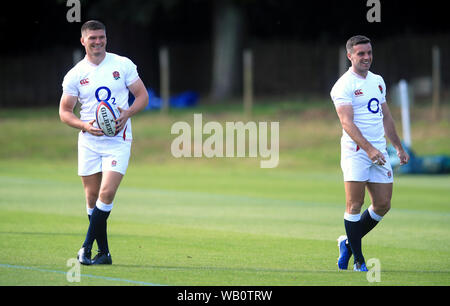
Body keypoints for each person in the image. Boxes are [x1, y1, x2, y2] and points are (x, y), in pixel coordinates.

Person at [59, 20, 149, 265]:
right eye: (92, 38)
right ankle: (104, 253)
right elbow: (65, 112)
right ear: (83, 41)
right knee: (91, 198)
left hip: (118, 140)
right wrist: (84, 125)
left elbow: (142, 96)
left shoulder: (122, 64)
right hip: (89, 141)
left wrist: (127, 113)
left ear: (106, 39)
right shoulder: (75, 74)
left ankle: (85, 248)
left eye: (101, 37)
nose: (98, 42)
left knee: (106, 192)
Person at [330, 35, 409, 271]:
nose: (366, 57)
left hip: (379, 151)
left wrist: (398, 146)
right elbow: (347, 123)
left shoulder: (378, 81)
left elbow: (385, 117)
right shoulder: (343, 86)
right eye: (361, 53)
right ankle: (359, 261)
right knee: (355, 204)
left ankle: (347, 243)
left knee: (383, 204)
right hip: (356, 151)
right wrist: (369, 149)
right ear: (350, 56)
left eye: (369, 53)